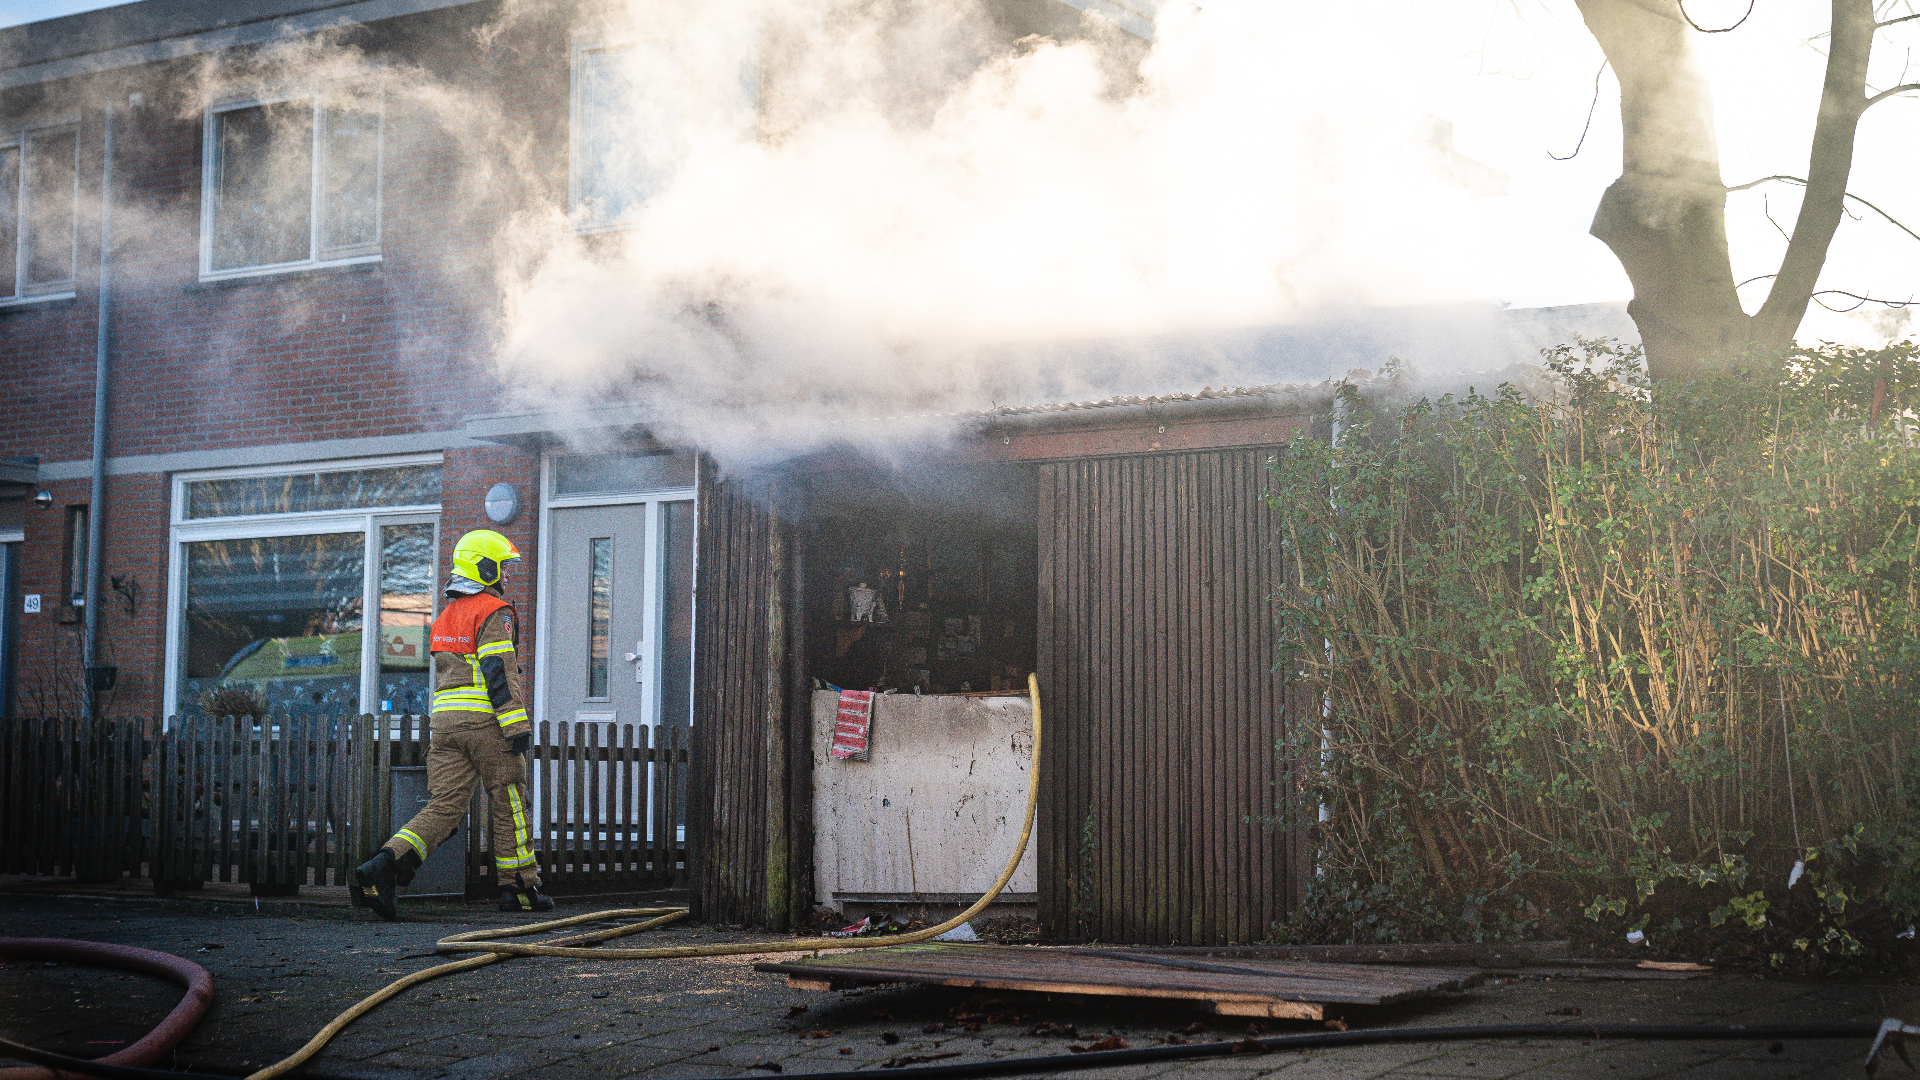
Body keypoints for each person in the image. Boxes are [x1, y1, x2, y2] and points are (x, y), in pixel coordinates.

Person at [351, 529, 552, 919]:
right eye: (503, 568)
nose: (507, 576)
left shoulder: (445, 616)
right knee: (510, 801)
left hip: (444, 727)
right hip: (485, 724)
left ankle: (384, 865)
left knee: (444, 806)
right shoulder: (492, 612)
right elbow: (499, 673)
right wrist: (516, 727)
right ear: (485, 567)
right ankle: (520, 889)